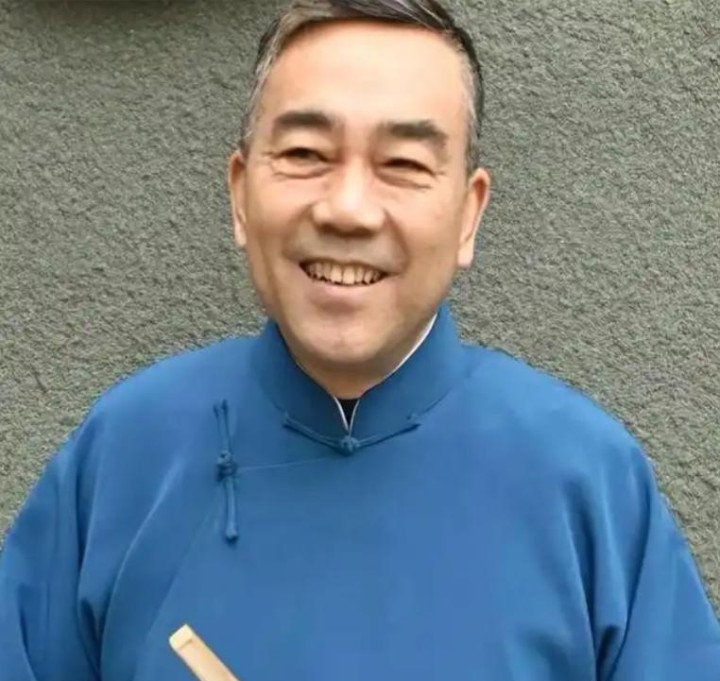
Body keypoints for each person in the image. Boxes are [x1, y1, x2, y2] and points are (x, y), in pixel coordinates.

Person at [1, 0, 719, 679]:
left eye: (403, 164)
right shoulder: (125, 455)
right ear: (240, 193)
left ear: (468, 214)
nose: (347, 209)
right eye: (306, 153)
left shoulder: (587, 480)